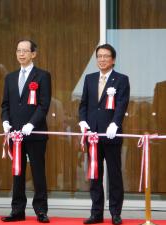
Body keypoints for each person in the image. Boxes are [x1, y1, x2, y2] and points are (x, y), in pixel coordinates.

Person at [78, 44, 130, 225]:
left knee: (114, 174)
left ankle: (115, 212)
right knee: (95, 175)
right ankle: (96, 213)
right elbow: (83, 103)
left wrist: (115, 124)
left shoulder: (121, 79)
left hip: (111, 134)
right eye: (99, 56)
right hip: (92, 135)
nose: (102, 59)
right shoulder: (89, 78)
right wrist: (82, 121)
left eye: (106, 56)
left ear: (113, 60)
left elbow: (122, 104)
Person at [1, 39, 51, 223]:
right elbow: (5, 104)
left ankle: (40, 210)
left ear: (33, 54)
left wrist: (32, 123)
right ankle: (17, 210)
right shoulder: (10, 77)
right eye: (18, 51)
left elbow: (44, 104)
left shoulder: (42, 76)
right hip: (16, 134)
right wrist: (5, 121)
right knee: (17, 173)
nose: (21, 54)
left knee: (38, 172)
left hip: (35, 133)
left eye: (25, 51)